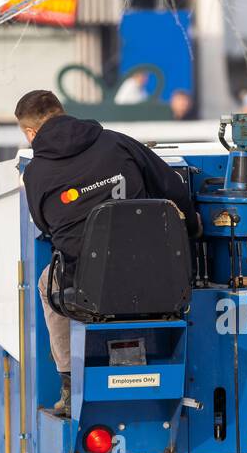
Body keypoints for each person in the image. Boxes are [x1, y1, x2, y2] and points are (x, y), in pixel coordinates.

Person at [15, 89, 200, 417]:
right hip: (158, 274)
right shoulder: (116, 142)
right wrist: (191, 225)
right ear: (62, 112)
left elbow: (46, 226)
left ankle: (70, 383)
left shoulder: (36, 173)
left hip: (90, 287)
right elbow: (171, 185)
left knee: (47, 283)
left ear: (30, 133)